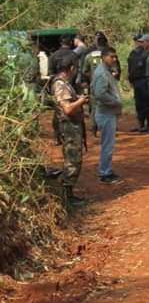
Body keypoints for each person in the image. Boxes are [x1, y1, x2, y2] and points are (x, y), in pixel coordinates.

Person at [50, 54, 88, 205]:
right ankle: (67, 196)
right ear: (71, 68)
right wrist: (81, 100)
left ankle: (68, 194)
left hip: (71, 126)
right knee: (72, 160)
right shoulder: (60, 85)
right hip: (69, 126)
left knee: (73, 159)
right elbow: (67, 109)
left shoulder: (64, 83)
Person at [91, 47, 123, 184]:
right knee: (107, 145)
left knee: (108, 144)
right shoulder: (102, 73)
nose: (114, 59)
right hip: (106, 113)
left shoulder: (105, 71)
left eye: (115, 57)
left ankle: (106, 170)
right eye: (111, 57)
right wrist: (115, 102)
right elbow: (100, 94)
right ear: (103, 57)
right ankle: (105, 173)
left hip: (108, 112)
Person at [48, 36, 79, 146]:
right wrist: (69, 82)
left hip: (56, 85)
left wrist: (56, 83)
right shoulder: (73, 55)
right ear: (70, 43)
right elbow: (76, 70)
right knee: (70, 111)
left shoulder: (53, 56)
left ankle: (57, 137)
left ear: (60, 42)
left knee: (58, 111)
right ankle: (70, 136)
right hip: (69, 85)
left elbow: (50, 73)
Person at [127, 34, 149, 132]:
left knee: (147, 103)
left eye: (139, 41)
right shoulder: (132, 53)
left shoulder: (146, 52)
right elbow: (130, 68)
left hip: (144, 80)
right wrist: (130, 79)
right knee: (139, 103)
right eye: (135, 41)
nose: (136, 43)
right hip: (136, 81)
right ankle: (141, 124)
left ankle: (148, 125)